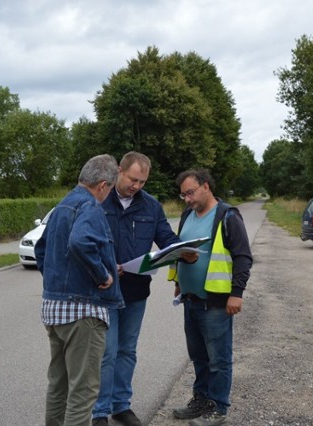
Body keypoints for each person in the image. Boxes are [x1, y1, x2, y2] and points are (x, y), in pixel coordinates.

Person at [92, 151, 197, 426]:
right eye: (133, 179)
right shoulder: (99, 201)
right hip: (104, 290)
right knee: (107, 351)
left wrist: (182, 250)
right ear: (119, 172)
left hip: (136, 291)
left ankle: (121, 406)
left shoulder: (151, 207)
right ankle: (99, 412)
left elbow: (165, 238)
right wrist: (103, 265)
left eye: (142, 182)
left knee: (127, 350)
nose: (137, 186)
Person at [35, 154, 122, 426]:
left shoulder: (63, 206)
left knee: (58, 386)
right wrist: (103, 274)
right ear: (103, 185)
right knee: (83, 393)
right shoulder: (90, 207)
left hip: (54, 310)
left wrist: (55, 279)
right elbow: (81, 241)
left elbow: (41, 250)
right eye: (110, 190)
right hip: (83, 312)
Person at [168, 169, 253, 426]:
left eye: (190, 192)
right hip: (190, 299)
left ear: (206, 186)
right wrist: (178, 281)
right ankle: (201, 400)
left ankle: (218, 408)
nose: (187, 199)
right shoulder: (187, 215)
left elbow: (243, 257)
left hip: (216, 302)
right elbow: (181, 250)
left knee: (218, 359)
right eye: (183, 194)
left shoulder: (227, 216)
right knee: (199, 356)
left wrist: (236, 294)